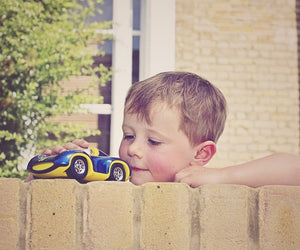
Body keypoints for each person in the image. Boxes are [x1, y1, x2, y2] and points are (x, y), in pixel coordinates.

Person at [34, 71, 300, 187]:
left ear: (201, 155)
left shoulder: (196, 181)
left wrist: (221, 177)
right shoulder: (115, 177)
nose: (133, 149)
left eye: (154, 141)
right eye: (129, 135)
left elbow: (293, 168)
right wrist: (60, 171)